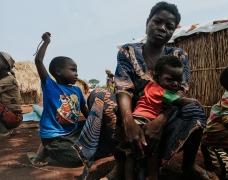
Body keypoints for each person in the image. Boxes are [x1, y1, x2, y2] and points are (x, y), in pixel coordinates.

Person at [73, 2, 209, 180]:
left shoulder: (178, 55)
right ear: (147, 22)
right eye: (157, 22)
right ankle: (121, 163)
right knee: (99, 96)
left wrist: (160, 121)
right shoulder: (128, 51)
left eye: (169, 26)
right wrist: (129, 122)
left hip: (164, 112)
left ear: (173, 31)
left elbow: (180, 91)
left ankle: (188, 165)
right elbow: (123, 88)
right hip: (129, 114)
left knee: (195, 109)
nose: (162, 28)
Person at [124, 55, 200, 180]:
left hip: (136, 118)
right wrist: (194, 101)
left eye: (179, 80)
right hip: (145, 121)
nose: (176, 84)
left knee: (131, 155)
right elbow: (181, 101)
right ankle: (153, 176)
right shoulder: (162, 92)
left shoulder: (149, 86)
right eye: (170, 80)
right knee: (153, 152)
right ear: (156, 76)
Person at [28, 32, 88, 167]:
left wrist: (94, 126)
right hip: (54, 137)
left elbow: (86, 113)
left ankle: (58, 149)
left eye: (76, 70)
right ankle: (48, 151)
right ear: (58, 72)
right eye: (73, 69)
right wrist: (46, 42)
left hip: (71, 131)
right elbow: (38, 61)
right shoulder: (50, 86)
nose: (76, 73)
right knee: (77, 159)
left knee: (92, 131)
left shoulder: (77, 90)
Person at [0, 52, 23, 137]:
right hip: (7, 115)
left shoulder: (9, 79)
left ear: (5, 65)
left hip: (13, 118)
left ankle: (3, 132)